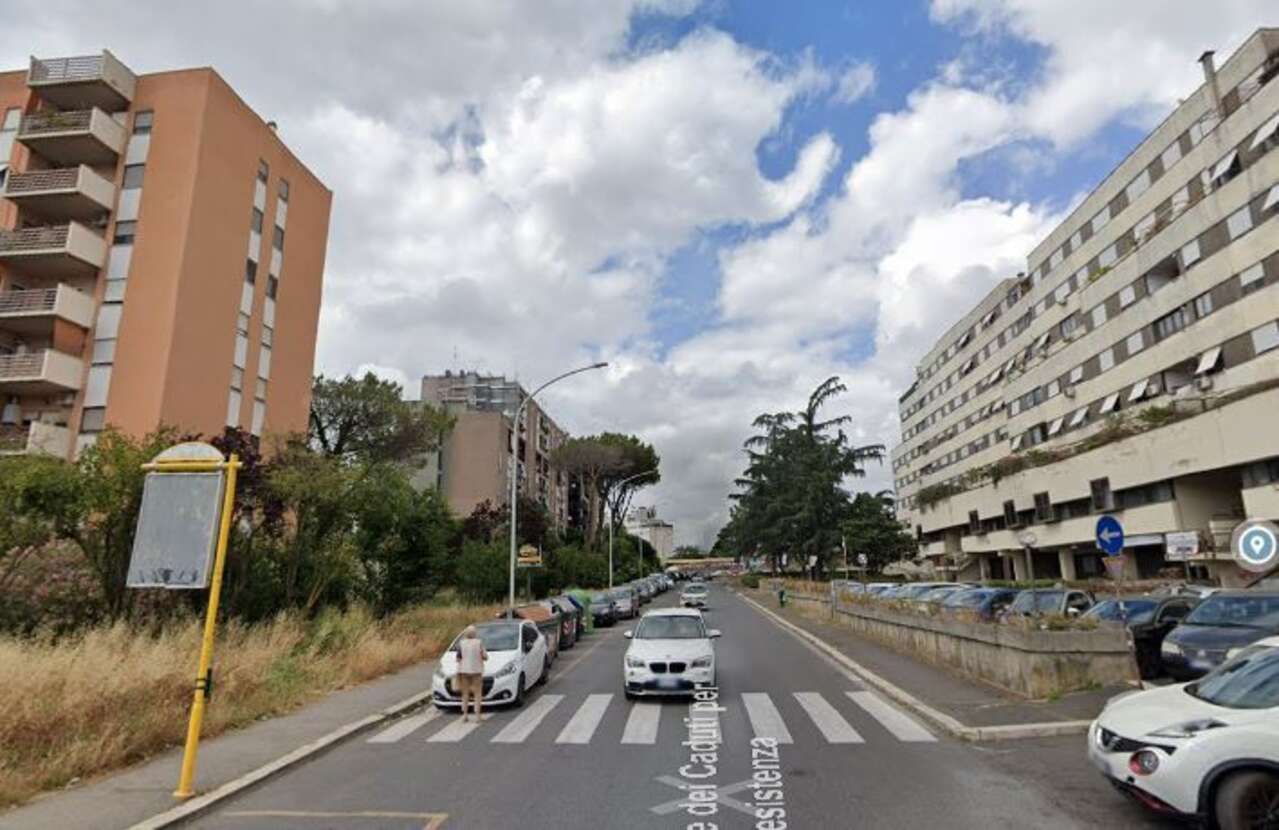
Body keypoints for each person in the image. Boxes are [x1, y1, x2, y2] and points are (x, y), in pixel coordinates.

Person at [455, 625, 488, 722]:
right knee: (477, 693)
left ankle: (465, 715)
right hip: (476, 670)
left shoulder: (461, 643)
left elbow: (458, 658)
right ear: (475, 634)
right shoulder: (479, 643)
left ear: (466, 634)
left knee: (465, 693)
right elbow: (485, 656)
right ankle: (477, 716)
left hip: (464, 670)